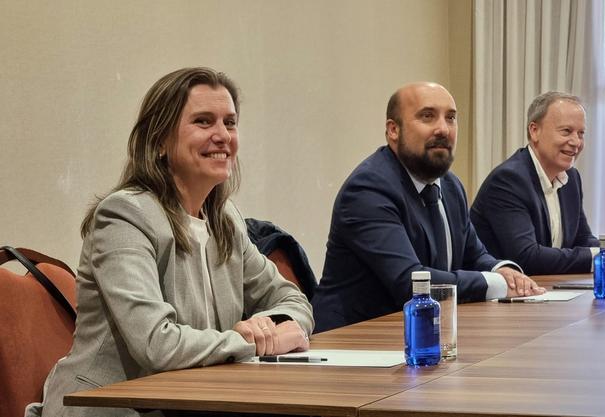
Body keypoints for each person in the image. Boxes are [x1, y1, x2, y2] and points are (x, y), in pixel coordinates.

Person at [29, 68, 314, 417]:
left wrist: (270, 327)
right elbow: (156, 344)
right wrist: (249, 341)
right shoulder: (123, 216)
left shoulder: (225, 219)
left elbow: (290, 299)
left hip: (193, 402)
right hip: (109, 406)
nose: (223, 135)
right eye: (204, 121)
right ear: (160, 141)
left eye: (230, 122)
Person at [311, 82, 545, 333]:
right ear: (393, 130)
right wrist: (496, 284)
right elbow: (411, 281)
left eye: (451, 118)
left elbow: (473, 255)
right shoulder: (369, 189)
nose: (443, 129)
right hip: (355, 341)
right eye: (427, 116)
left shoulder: (450, 185)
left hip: (421, 334)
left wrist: (503, 271)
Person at [470, 91, 605, 275]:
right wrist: (601, 255)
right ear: (534, 131)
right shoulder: (508, 180)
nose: (576, 142)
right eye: (566, 131)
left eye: (581, 133)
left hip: (545, 290)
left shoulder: (571, 178)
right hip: (501, 298)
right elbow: (526, 257)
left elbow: (582, 238)